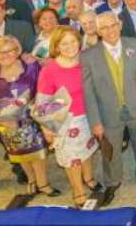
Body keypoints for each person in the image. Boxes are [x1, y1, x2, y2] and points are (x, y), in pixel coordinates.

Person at [82, 13, 136, 206]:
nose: (110, 31)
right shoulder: (88, 56)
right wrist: (95, 122)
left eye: (113, 25)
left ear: (120, 25)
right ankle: (112, 182)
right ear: (98, 31)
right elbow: (88, 93)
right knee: (111, 150)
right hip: (108, 113)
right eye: (105, 28)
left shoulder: (134, 45)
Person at [0, 36, 58, 198]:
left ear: (18, 52)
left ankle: (43, 183)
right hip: (8, 125)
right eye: (1, 52)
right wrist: (1, 118)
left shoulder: (31, 67)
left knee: (38, 154)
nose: (6, 54)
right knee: (19, 155)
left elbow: (44, 89)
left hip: (33, 120)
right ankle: (31, 180)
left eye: (10, 50)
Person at [37, 27, 100, 207]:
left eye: (73, 41)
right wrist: (46, 127)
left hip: (89, 117)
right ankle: (78, 192)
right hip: (66, 122)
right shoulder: (49, 70)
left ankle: (88, 178)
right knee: (73, 159)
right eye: (64, 43)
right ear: (56, 46)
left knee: (87, 151)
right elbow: (42, 102)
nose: (70, 46)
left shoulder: (86, 61)